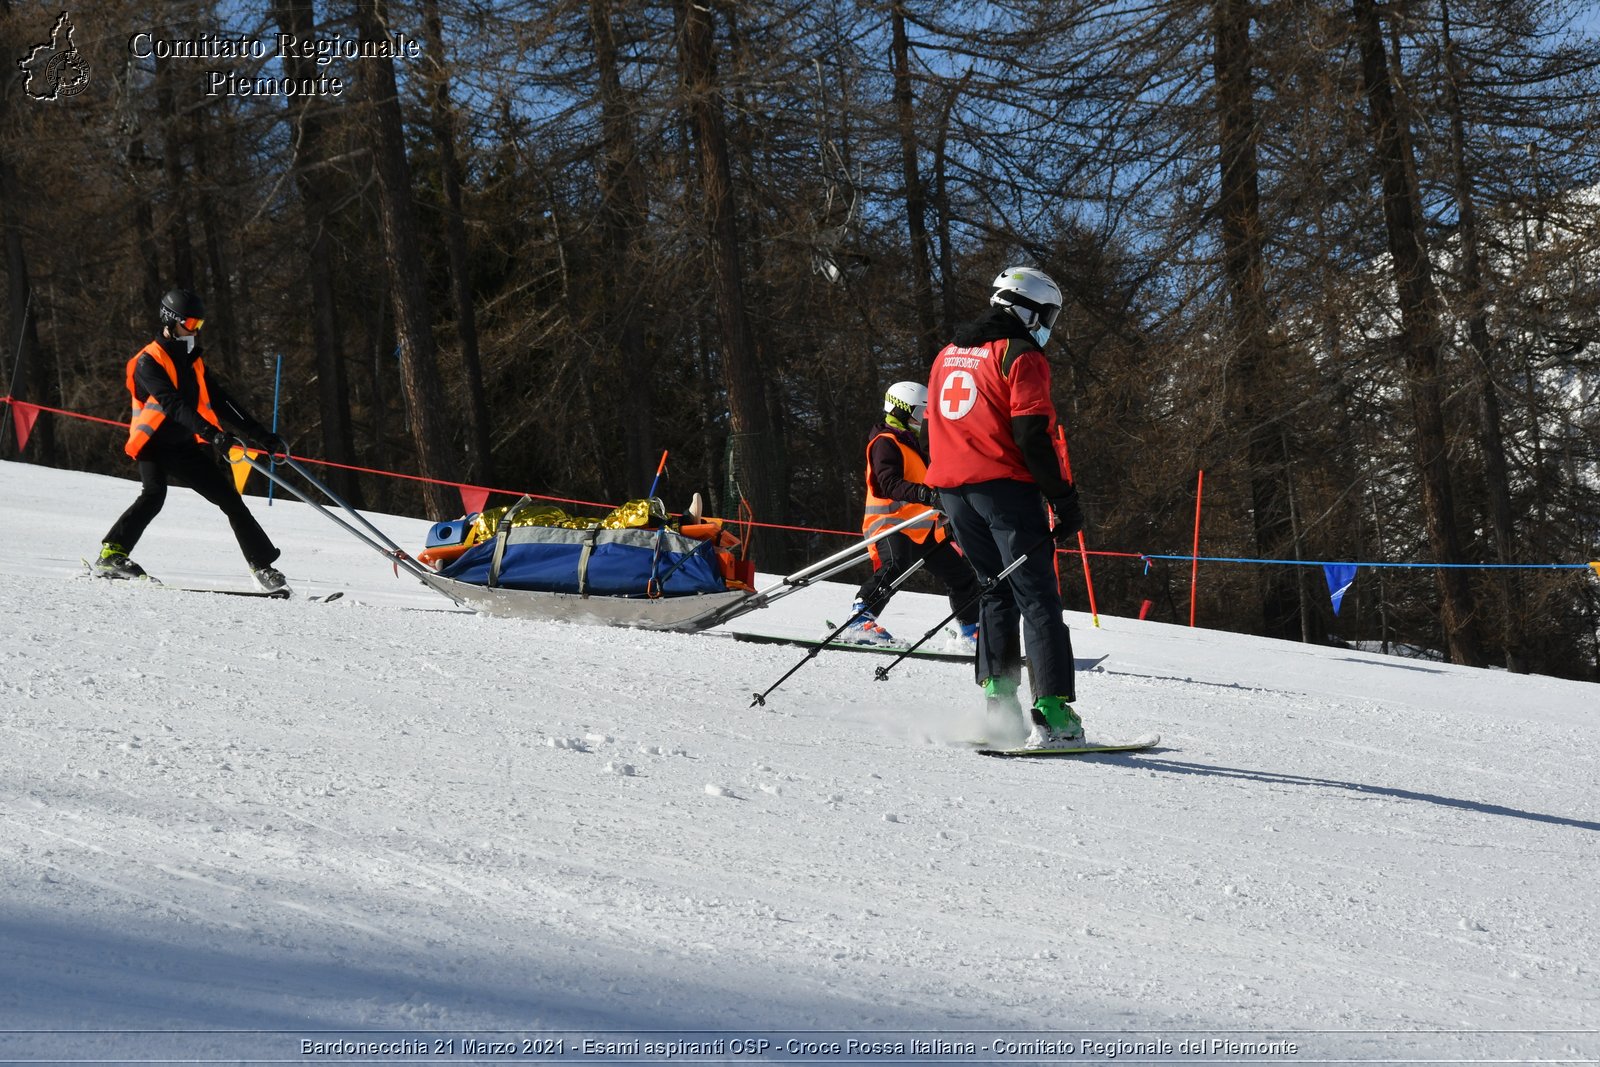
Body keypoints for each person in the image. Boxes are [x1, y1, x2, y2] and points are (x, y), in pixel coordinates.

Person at [924, 266, 1087, 748]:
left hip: (953, 493)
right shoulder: (1020, 354)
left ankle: (1001, 710)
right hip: (1004, 492)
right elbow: (1031, 435)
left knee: (993, 591)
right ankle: (1054, 713)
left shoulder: (947, 354)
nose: (1047, 325)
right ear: (1026, 308)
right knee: (1036, 595)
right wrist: (1063, 497)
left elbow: (935, 424)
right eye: (1047, 314)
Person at [92, 288, 291, 592]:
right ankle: (112, 554)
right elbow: (172, 404)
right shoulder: (148, 361)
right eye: (190, 324)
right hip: (153, 444)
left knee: (230, 500)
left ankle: (261, 565)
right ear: (171, 321)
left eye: (199, 325)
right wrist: (213, 435)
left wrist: (262, 435)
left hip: (184, 445)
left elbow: (222, 401)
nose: (195, 331)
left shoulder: (191, 360)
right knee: (154, 494)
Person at [844, 382, 983, 648]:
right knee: (895, 567)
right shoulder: (885, 442)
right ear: (902, 410)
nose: (922, 420)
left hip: (920, 528)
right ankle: (859, 620)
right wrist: (926, 495)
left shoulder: (910, 443)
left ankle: (970, 632)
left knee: (960, 575)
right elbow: (887, 483)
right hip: (889, 523)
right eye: (919, 413)